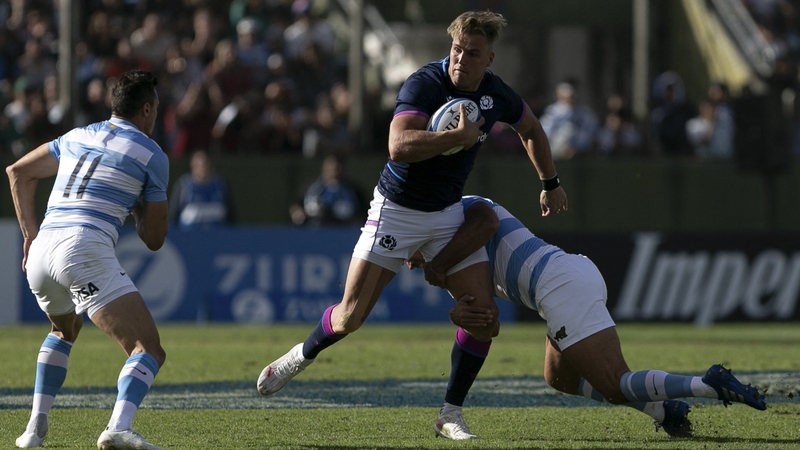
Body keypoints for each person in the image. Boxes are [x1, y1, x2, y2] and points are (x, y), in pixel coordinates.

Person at [256, 10, 568, 442]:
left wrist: (550, 183)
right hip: (396, 210)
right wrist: (453, 139)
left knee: (483, 316)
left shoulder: (497, 95)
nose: (460, 59)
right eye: (456, 49)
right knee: (349, 317)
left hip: (446, 214)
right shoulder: (424, 82)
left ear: (489, 58)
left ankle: (450, 414)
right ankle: (299, 356)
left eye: (472, 53)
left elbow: (531, 128)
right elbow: (398, 146)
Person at [406, 195, 768, 439]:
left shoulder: (462, 218)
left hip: (560, 286)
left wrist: (447, 287)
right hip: (566, 276)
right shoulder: (453, 237)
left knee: (614, 383)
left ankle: (707, 384)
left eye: (409, 248)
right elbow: (486, 318)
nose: (408, 260)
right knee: (559, 377)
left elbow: (488, 321)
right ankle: (665, 413)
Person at [6, 70, 168, 450]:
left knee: (64, 330)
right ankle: (118, 428)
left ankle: (33, 431)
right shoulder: (151, 154)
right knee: (147, 349)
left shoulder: (77, 135)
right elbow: (155, 240)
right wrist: (139, 210)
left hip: (43, 249)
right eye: (156, 109)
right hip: (83, 247)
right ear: (146, 109)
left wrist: (30, 235)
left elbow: (18, 172)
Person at [289, 153, 367, 226]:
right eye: (330, 164)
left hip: (344, 231)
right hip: (314, 229)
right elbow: (296, 205)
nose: (334, 168)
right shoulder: (311, 188)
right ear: (324, 166)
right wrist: (298, 213)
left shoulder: (353, 190)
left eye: (337, 165)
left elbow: (365, 212)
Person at [168, 149, 233, 230]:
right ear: (192, 165)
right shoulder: (183, 186)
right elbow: (172, 216)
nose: (203, 167)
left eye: (205, 163)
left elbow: (231, 216)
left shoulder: (221, 185)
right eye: (199, 164)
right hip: (188, 238)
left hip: (218, 237)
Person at [538, 81, 598, 159]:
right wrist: (562, 147)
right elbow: (546, 131)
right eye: (568, 96)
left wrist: (576, 147)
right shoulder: (552, 111)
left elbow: (590, 131)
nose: (571, 99)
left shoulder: (585, 112)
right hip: (557, 152)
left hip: (581, 152)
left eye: (573, 96)